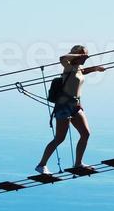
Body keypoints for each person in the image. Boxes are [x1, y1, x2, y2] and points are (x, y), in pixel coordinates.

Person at [35, 46, 106, 174]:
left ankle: (78, 163)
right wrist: (78, 56)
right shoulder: (68, 67)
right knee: (59, 138)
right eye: (84, 55)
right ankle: (41, 165)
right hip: (64, 107)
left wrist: (95, 69)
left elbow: (83, 72)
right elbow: (62, 58)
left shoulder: (78, 69)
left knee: (85, 134)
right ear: (77, 55)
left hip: (76, 106)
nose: (86, 58)